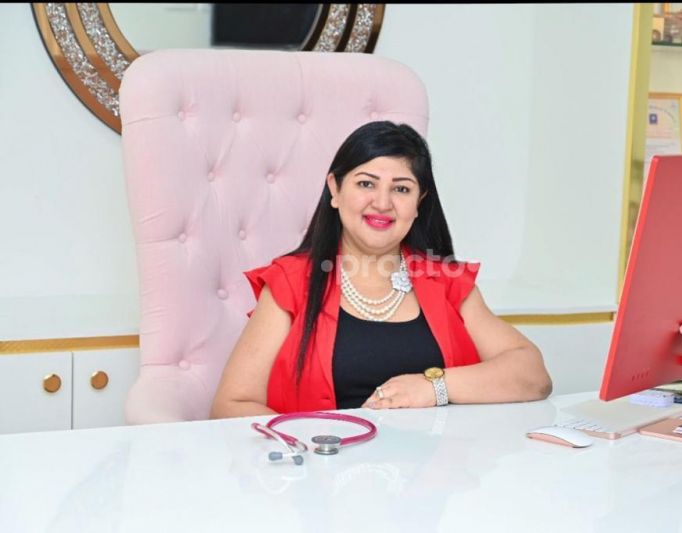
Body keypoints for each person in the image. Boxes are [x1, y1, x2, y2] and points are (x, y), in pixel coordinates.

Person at [210, 121, 552, 418]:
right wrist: (314, 445)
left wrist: (432, 388)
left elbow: (533, 374)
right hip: (324, 467)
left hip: (439, 469)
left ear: (419, 203)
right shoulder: (291, 282)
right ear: (335, 189)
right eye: (366, 184)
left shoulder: (446, 281)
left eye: (401, 189)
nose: (383, 202)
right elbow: (230, 405)